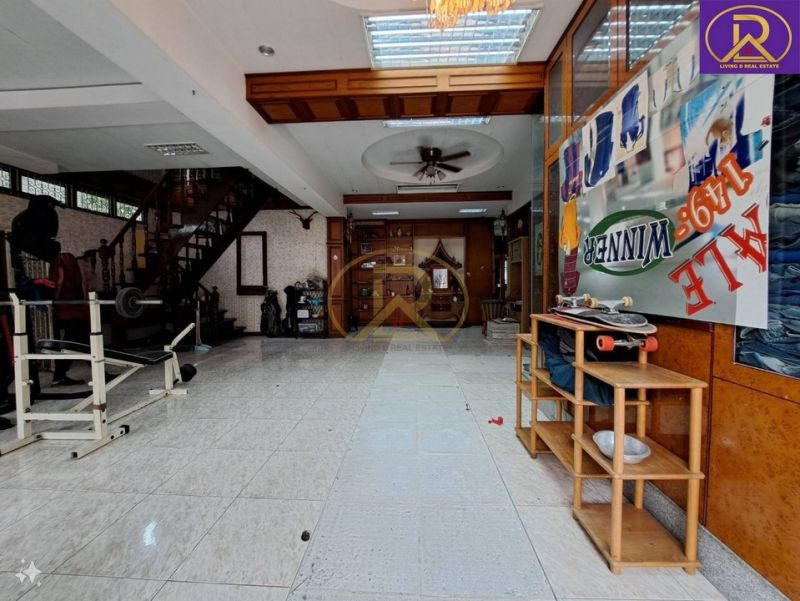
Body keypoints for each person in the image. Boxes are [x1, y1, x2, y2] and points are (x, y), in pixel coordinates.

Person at [51, 253, 89, 386]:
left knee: (79, 342)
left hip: (69, 311)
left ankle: (59, 375)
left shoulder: (61, 268)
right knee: (77, 342)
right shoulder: (66, 269)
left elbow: (59, 287)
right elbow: (60, 285)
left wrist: (54, 303)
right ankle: (59, 375)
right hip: (71, 311)